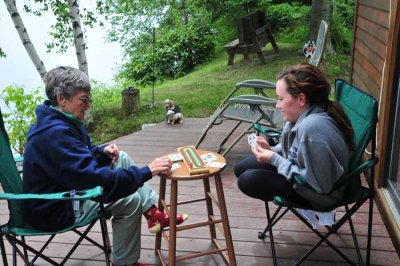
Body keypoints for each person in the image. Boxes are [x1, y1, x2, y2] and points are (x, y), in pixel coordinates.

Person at [23, 66, 188, 266]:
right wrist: (146, 171)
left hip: (66, 190)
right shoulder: (56, 134)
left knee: (122, 157)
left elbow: (76, 160)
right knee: (131, 201)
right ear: (61, 99)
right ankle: (125, 263)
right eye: (84, 99)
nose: (89, 104)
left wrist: (100, 153)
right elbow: (93, 178)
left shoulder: (57, 121)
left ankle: (154, 214)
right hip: (56, 208)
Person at [234, 64, 355, 206]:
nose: (277, 105)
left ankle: (309, 212)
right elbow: (295, 149)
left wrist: (274, 159)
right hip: (300, 171)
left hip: (319, 195)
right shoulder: (301, 115)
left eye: (280, 99)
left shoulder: (312, 129)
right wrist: (273, 151)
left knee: (248, 180)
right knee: (241, 167)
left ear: (301, 99)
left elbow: (321, 185)